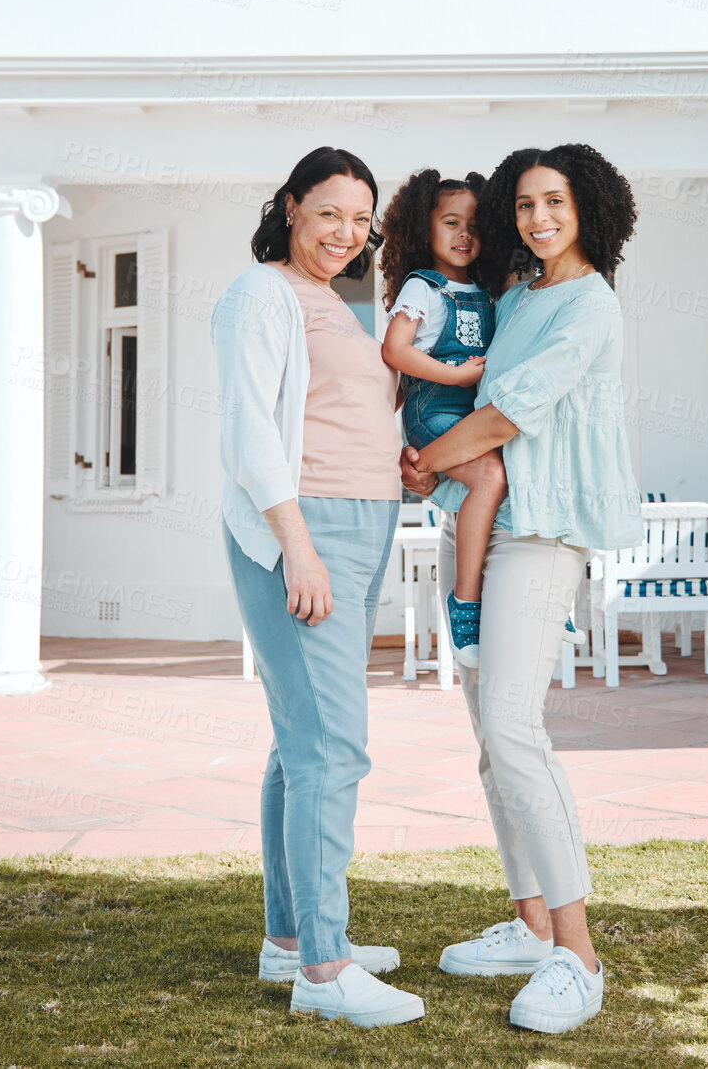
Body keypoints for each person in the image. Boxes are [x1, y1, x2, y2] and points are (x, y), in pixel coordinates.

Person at [401, 142, 642, 1036]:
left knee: (513, 726)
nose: (540, 218)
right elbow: (468, 411)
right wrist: (426, 461)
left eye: (556, 202)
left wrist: (428, 461)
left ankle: (577, 954)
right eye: (527, 205)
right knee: (489, 738)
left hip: (544, 533)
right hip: (488, 523)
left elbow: (508, 414)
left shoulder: (590, 304)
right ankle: (533, 922)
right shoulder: (514, 297)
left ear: (589, 208)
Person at [211, 145, 424, 1028]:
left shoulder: (330, 301)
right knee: (331, 747)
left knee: (297, 744)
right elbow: (250, 429)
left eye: (359, 218)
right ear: (291, 205)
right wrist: (295, 544)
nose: (346, 232)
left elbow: (345, 409)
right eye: (329, 211)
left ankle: (291, 939)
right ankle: (327, 970)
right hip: (311, 528)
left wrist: (400, 462)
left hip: (361, 521)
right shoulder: (261, 292)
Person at [380, 170, 504, 666]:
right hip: (434, 413)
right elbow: (394, 349)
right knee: (491, 476)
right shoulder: (422, 287)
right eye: (450, 222)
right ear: (423, 229)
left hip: (472, 416)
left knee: (517, 470)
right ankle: (465, 602)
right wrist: (453, 377)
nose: (463, 234)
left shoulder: (485, 290)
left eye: (473, 224)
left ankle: (531, 590)